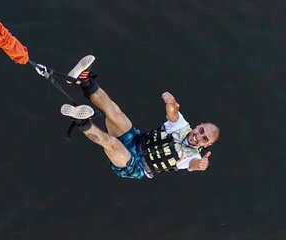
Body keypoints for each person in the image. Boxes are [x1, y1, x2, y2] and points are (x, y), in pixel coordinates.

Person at [60, 55, 220, 179]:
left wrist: (201, 164)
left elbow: (195, 165)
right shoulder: (182, 126)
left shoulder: (193, 156)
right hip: (136, 140)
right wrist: (171, 103)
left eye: (204, 139)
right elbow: (173, 114)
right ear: (198, 125)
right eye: (201, 130)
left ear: (207, 145)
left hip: (136, 167)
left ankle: (81, 121)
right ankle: (84, 80)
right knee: (115, 113)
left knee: (112, 144)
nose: (198, 136)